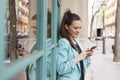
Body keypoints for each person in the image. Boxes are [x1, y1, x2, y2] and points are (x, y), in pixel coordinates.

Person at [56, 9, 93, 80]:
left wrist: (87, 56)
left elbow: (83, 66)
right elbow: (60, 69)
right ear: (66, 26)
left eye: (80, 28)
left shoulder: (77, 41)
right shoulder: (63, 42)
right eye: (75, 28)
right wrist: (78, 58)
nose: (78, 31)